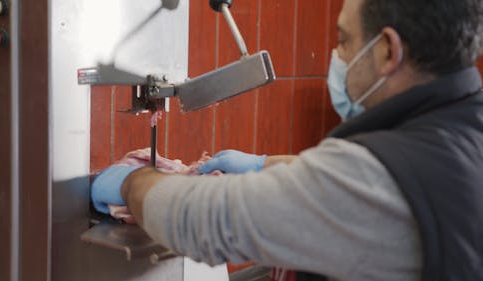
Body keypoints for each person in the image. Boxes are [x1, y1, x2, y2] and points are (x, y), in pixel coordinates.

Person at [91, 0, 483, 280]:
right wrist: (267, 164)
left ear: (387, 51)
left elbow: (204, 222)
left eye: (344, 41)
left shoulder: (380, 177)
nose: (338, 56)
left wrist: (130, 180)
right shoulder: (465, 127)